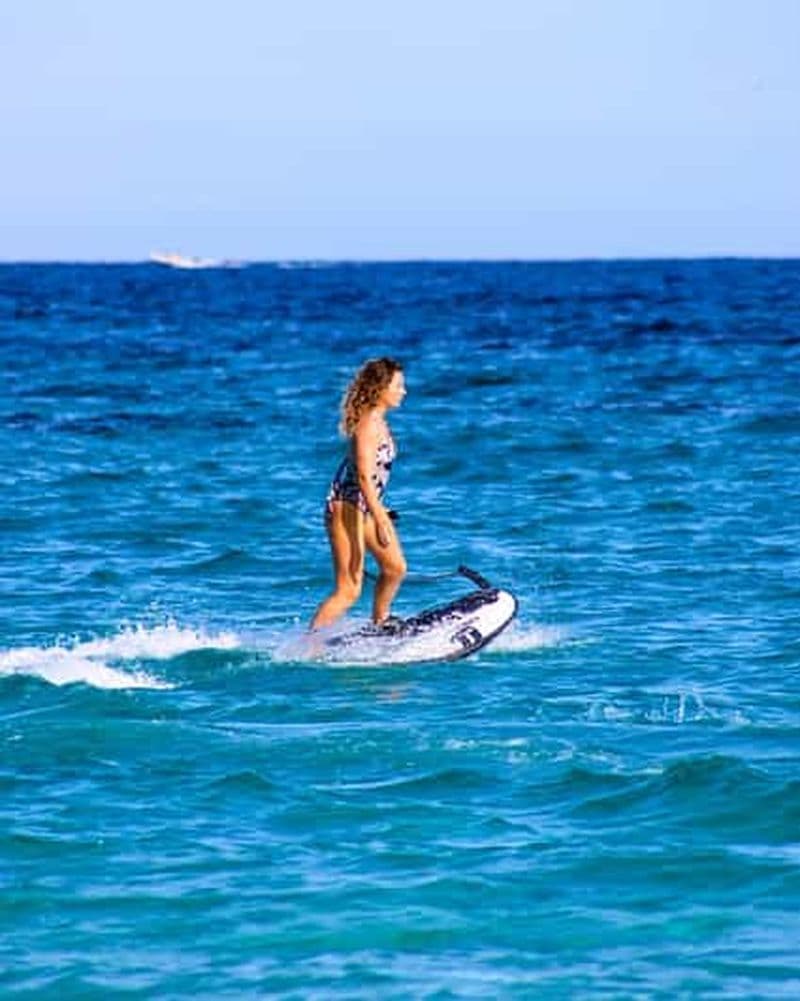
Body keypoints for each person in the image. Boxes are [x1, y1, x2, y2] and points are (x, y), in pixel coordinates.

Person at [310, 357, 407, 630]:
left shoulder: (379, 422)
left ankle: (380, 623)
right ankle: (309, 645)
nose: (403, 391)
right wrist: (381, 518)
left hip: (365, 507)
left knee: (395, 568)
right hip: (347, 508)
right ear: (381, 388)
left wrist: (379, 510)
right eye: (398, 386)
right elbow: (363, 476)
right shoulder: (368, 426)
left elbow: (367, 476)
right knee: (349, 590)